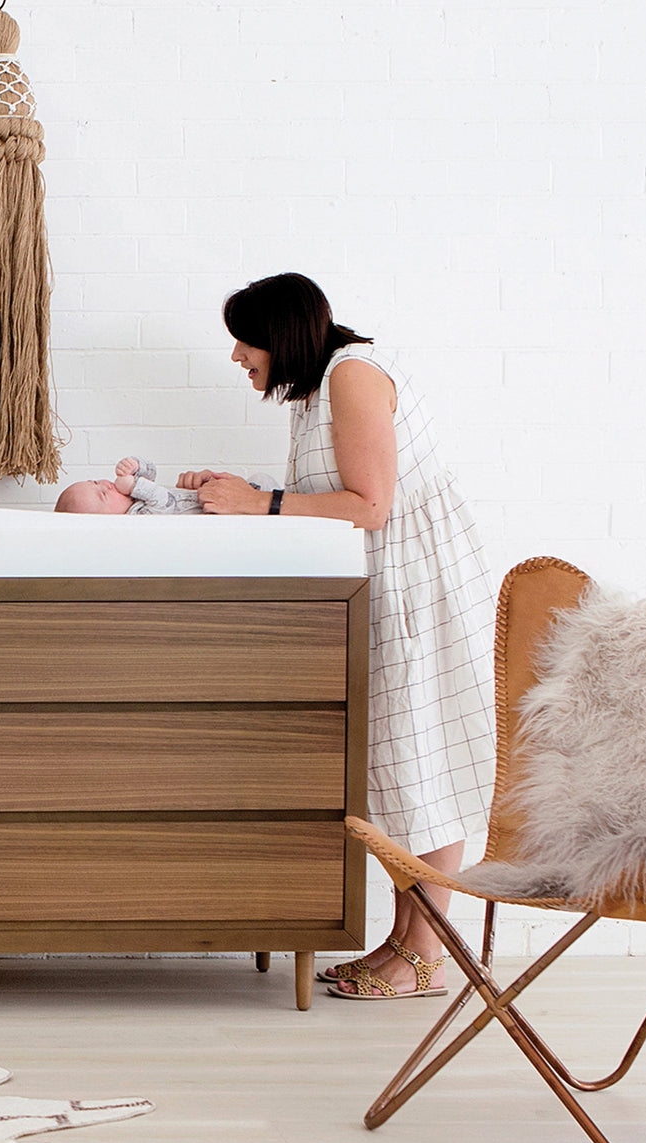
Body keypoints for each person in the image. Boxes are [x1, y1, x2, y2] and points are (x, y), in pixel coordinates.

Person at [178, 273, 496, 1000]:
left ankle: (425, 955)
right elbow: (331, 495)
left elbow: (371, 505)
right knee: (396, 769)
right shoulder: (317, 390)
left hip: (416, 587)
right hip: (383, 584)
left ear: (282, 333)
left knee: (422, 766)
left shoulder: (352, 376)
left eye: (244, 339)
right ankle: (404, 942)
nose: (236, 357)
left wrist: (260, 503)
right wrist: (243, 493)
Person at [55, 456, 276, 515]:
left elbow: (151, 473)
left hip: (227, 500)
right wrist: (133, 485)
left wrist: (136, 465)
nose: (106, 484)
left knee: (261, 479)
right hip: (226, 514)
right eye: (103, 494)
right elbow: (163, 501)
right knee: (266, 485)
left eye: (95, 482)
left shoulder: (137, 497)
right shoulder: (139, 519)